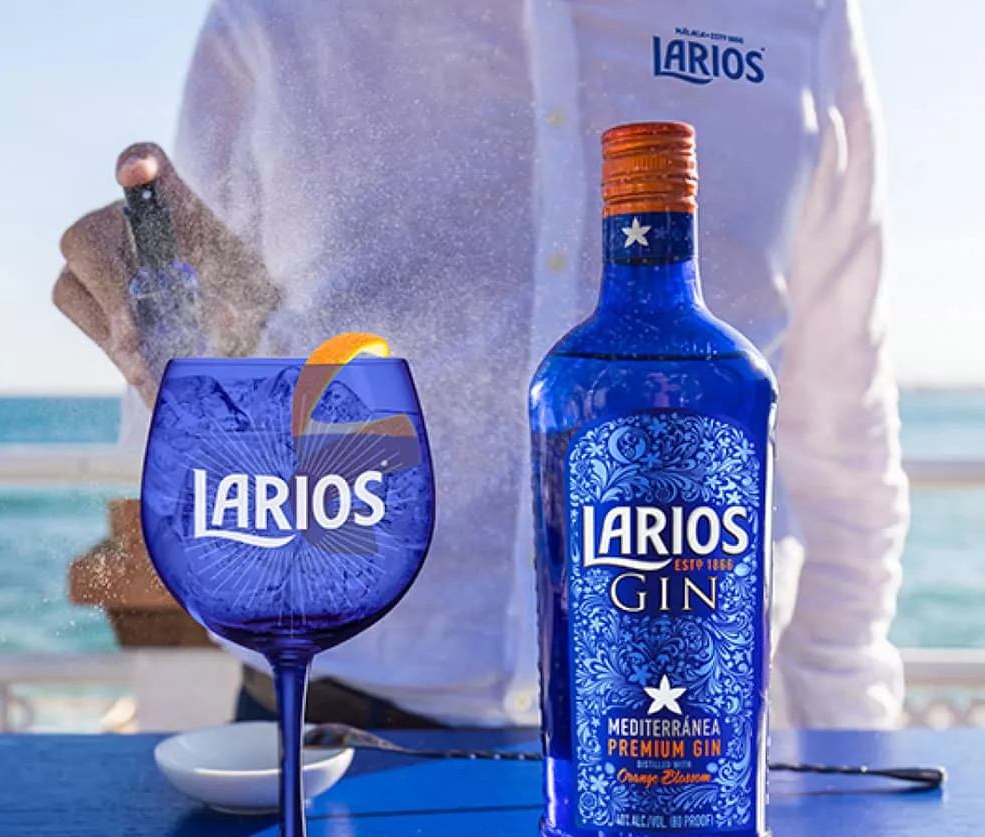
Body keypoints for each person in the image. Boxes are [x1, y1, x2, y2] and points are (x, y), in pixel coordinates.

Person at [53, 0, 909, 730]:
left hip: (695, 730)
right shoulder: (276, 13)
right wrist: (183, 348)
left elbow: (838, 425)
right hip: (328, 735)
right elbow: (197, 370)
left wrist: (851, 741)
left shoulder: (800, 17)